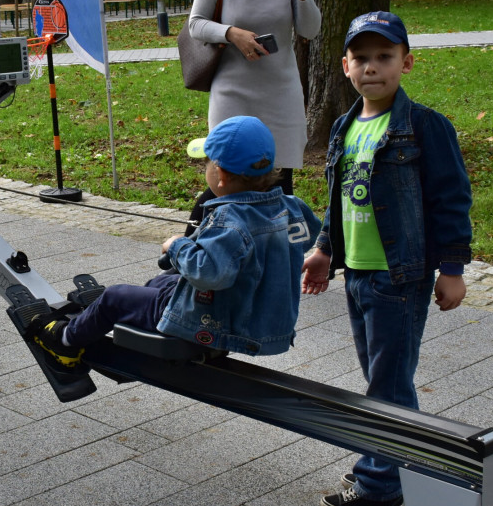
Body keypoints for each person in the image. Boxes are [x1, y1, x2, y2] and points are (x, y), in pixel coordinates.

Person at [301, 11, 472, 506]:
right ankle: (392, 461)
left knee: (389, 382)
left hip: (401, 275)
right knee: (383, 376)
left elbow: (451, 198)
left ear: (407, 62)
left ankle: (381, 484)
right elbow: (338, 197)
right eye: (362, 58)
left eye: (384, 57)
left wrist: (453, 268)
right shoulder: (344, 125)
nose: (372, 67)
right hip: (358, 272)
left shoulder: (423, 127)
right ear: (345, 67)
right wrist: (323, 250)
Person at [30, 116, 320, 386]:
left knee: (114, 296)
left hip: (218, 322)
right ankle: (140, 314)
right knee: (165, 280)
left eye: (205, 164)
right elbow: (307, 235)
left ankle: (64, 342)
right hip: (262, 320)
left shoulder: (230, 220)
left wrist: (176, 244)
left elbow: (208, 273)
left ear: (219, 175)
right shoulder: (292, 207)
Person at [186, 0, 321, 228]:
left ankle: (275, 261)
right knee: (223, 182)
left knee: (277, 184)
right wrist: (232, 33)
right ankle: (189, 256)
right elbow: (196, 24)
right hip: (232, 92)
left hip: (279, 93)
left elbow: (310, 29)